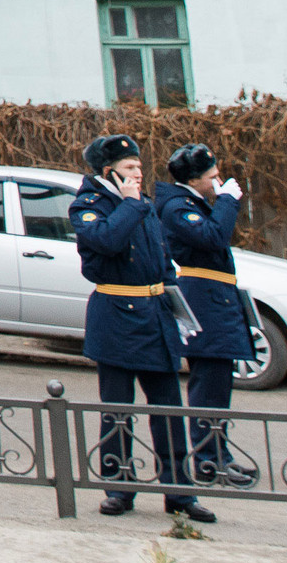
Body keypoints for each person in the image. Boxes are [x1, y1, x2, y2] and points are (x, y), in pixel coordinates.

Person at [73, 133, 202, 519]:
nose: (138, 175)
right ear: (109, 172)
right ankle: (119, 489)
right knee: (117, 410)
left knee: (168, 409)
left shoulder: (143, 205)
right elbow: (107, 241)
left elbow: (161, 261)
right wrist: (128, 204)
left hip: (154, 316)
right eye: (130, 169)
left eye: (140, 168)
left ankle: (180, 493)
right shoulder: (88, 205)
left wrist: (177, 306)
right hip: (115, 315)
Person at [162, 142, 255, 490]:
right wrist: (228, 202)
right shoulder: (176, 207)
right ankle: (206, 461)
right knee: (208, 388)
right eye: (213, 177)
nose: (218, 182)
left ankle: (219, 456)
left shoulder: (191, 203)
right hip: (205, 304)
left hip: (215, 301)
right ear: (195, 179)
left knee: (219, 386)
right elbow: (214, 237)